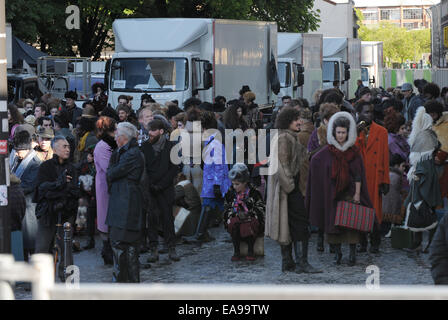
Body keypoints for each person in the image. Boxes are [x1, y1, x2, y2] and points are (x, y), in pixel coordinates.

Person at [307, 112, 373, 266]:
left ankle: (351, 253)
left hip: (349, 193)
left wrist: (357, 194)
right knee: (333, 223)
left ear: (348, 133)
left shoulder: (354, 152)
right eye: (338, 132)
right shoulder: (326, 153)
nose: (341, 136)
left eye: (344, 132)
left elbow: (358, 174)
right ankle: (337, 252)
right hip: (332, 194)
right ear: (333, 133)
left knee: (351, 224)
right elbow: (316, 161)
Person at [266, 107, 321, 273]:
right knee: (300, 225)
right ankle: (301, 263)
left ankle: (288, 262)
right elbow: (281, 166)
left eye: (300, 119)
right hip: (289, 190)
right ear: (287, 121)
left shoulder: (288, 137)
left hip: (288, 189)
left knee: (288, 225)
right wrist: (290, 186)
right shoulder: (284, 138)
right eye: (296, 119)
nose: (300, 122)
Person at [34, 136, 80, 281]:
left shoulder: (72, 168)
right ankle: (42, 279)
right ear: (55, 148)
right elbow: (42, 189)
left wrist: (59, 190)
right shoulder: (45, 167)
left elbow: (74, 192)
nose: (68, 149)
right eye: (64, 146)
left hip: (66, 214)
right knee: (42, 248)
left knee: (66, 250)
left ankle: (67, 278)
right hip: (48, 213)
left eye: (68, 146)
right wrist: (59, 184)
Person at [184, 111, 232, 244]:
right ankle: (202, 234)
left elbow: (219, 165)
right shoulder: (212, 142)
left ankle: (201, 234)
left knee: (212, 207)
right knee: (217, 207)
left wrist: (217, 184)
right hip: (213, 182)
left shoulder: (214, 143)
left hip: (213, 183)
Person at [106, 122, 144, 282]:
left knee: (122, 245)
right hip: (125, 202)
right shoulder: (128, 152)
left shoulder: (130, 154)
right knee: (128, 247)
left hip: (125, 204)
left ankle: (122, 285)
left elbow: (113, 172)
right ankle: (130, 285)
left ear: (123, 137)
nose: (114, 138)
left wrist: (112, 168)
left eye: (116, 135)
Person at [404, 107, 443, 252]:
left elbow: (424, 161)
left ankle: (427, 242)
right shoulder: (426, 135)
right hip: (424, 178)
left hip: (423, 179)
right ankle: (419, 242)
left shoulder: (425, 137)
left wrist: (418, 174)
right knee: (419, 208)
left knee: (424, 208)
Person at [141, 119, 180, 262]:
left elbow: (173, 169)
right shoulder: (144, 147)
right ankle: (153, 248)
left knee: (167, 219)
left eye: (152, 130)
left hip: (166, 188)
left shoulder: (171, 147)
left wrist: (162, 185)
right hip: (150, 189)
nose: (149, 133)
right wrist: (150, 184)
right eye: (148, 130)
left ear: (161, 131)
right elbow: (143, 168)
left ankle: (171, 247)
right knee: (151, 219)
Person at [355, 101, 390, 253]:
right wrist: (356, 134)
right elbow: (352, 152)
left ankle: (375, 242)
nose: (369, 114)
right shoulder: (355, 131)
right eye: (365, 112)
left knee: (375, 210)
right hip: (360, 178)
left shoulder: (381, 131)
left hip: (376, 176)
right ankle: (362, 241)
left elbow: (384, 157)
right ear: (359, 114)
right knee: (361, 210)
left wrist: (385, 180)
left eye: (371, 112)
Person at [223, 163, 265, 261]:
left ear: (245, 182)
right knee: (234, 223)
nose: (234, 186)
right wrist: (234, 215)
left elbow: (260, 209)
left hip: (250, 219)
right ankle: (236, 251)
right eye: (233, 184)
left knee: (250, 223)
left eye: (237, 184)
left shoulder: (254, 193)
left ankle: (250, 250)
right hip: (236, 219)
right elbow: (226, 209)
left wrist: (249, 214)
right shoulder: (230, 194)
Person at [10, 131, 41, 261]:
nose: (17, 153)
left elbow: (28, 186)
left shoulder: (35, 163)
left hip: (29, 211)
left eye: (19, 150)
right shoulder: (19, 158)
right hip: (20, 207)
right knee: (22, 245)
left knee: (31, 246)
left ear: (27, 149)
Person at [94, 116, 117, 265]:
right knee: (105, 217)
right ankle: (107, 250)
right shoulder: (103, 146)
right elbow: (108, 167)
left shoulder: (109, 144)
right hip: (105, 186)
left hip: (110, 185)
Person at [381, 154, 407, 236]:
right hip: (391, 210)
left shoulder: (386, 173)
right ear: (396, 165)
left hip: (383, 209)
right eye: (402, 166)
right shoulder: (397, 176)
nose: (404, 168)